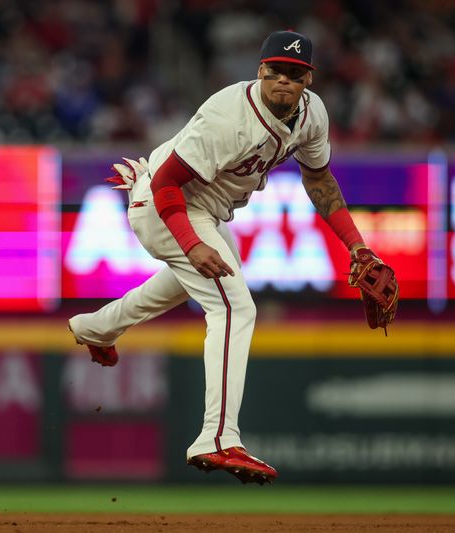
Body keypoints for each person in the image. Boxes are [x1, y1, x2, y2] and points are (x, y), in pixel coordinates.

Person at [68, 30, 384, 485]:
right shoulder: (228, 117)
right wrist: (192, 244)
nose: (283, 80)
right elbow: (166, 186)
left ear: (307, 80)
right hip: (163, 207)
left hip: (206, 215)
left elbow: (319, 180)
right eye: (275, 70)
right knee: (234, 305)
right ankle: (216, 438)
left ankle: (96, 327)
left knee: (186, 285)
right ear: (260, 71)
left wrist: (358, 246)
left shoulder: (312, 115)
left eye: (294, 74)